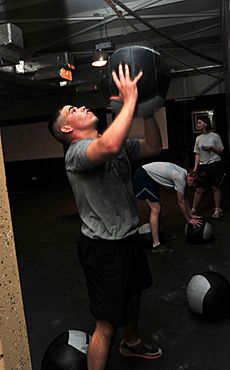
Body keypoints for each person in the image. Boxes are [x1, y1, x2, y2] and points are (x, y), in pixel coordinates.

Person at [48, 64, 164, 370]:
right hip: (103, 248)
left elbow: (154, 145)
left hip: (128, 238)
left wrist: (146, 110)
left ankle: (133, 344)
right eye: (74, 109)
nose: (83, 106)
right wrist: (128, 101)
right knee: (106, 324)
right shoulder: (75, 153)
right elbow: (109, 145)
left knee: (134, 297)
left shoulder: (115, 146)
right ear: (67, 129)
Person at [133, 161, 203, 254]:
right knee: (155, 209)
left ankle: (159, 234)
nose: (191, 187)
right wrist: (188, 220)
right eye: (192, 186)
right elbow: (181, 201)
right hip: (143, 176)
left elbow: (184, 196)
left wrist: (190, 215)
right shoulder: (180, 177)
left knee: (158, 206)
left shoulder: (184, 173)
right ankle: (156, 245)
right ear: (191, 179)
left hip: (147, 176)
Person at [191, 116, 225, 218]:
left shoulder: (215, 136)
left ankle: (217, 210)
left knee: (215, 187)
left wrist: (211, 148)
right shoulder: (198, 138)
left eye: (199, 122)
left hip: (215, 164)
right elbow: (197, 154)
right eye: (197, 123)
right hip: (203, 165)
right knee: (199, 189)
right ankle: (193, 209)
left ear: (205, 123)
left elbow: (222, 151)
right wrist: (195, 168)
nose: (198, 124)